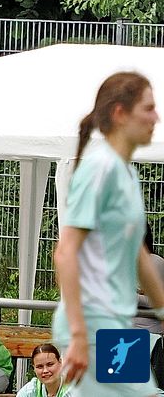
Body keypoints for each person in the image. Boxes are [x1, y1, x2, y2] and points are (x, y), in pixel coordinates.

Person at [52, 71, 164, 395]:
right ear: (120, 114)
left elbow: (138, 255)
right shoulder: (99, 170)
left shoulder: (125, 172)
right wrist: (78, 335)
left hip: (116, 326)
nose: (156, 117)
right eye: (148, 108)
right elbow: (65, 252)